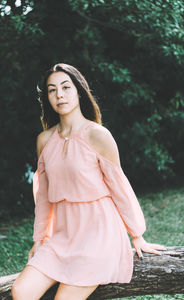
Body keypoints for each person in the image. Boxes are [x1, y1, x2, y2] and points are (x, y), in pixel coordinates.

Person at [11, 63, 166, 300]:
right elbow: (43, 196)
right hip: (63, 237)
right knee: (21, 291)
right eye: (52, 90)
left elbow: (119, 186)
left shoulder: (98, 135)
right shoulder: (44, 140)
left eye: (66, 87)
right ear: (47, 97)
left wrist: (137, 235)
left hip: (100, 235)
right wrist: (40, 238)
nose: (59, 95)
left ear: (79, 91)